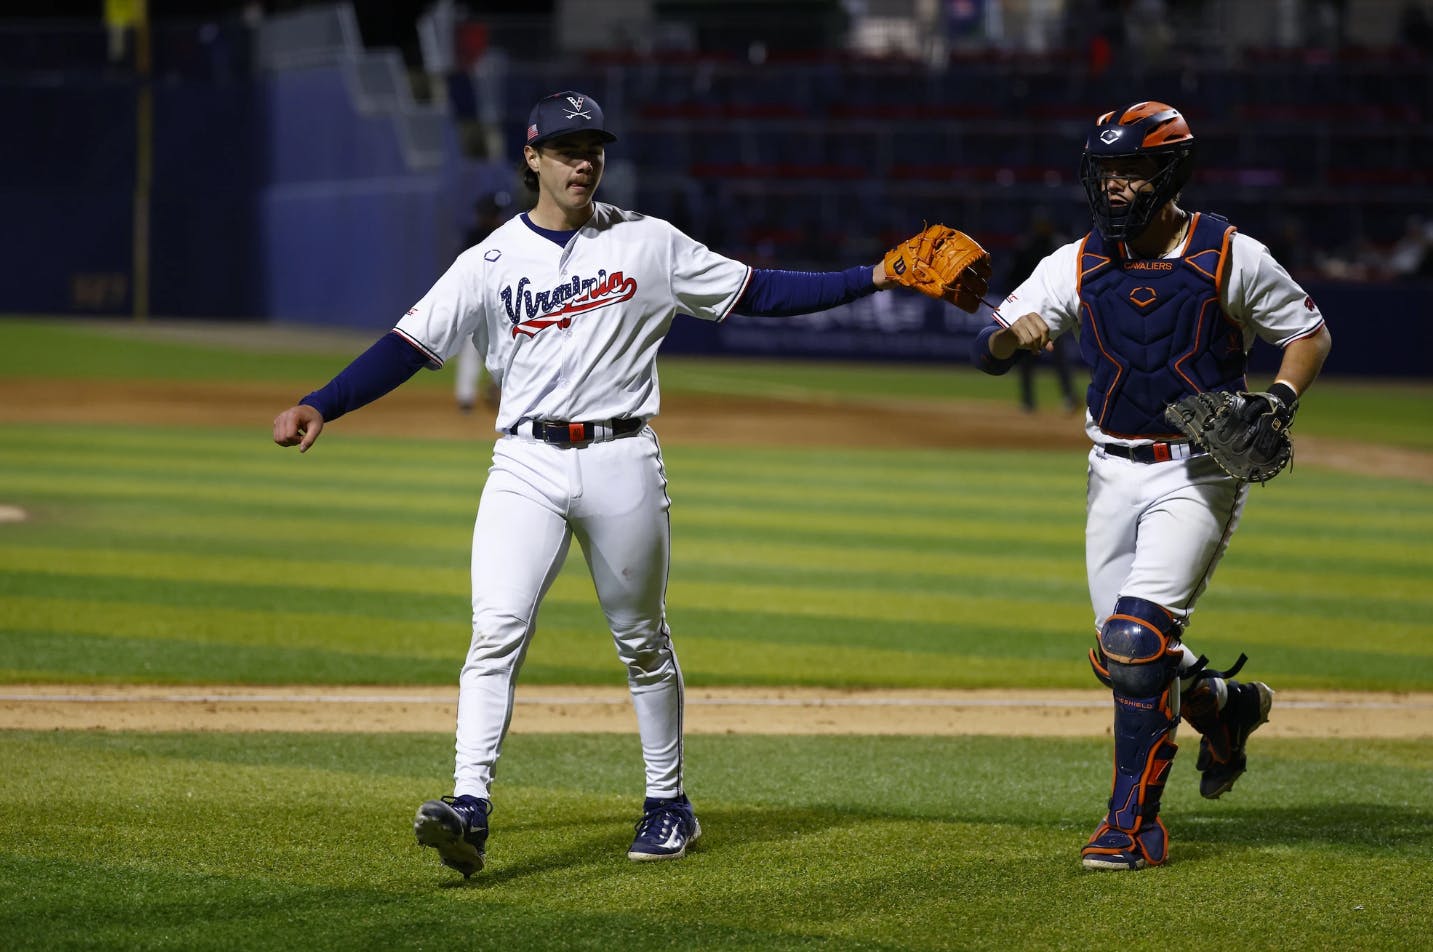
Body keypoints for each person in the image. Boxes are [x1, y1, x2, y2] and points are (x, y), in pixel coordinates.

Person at [272, 89, 985, 879]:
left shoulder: (649, 242)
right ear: (532, 159)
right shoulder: (489, 261)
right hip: (525, 463)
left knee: (641, 640)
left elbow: (760, 291)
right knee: (494, 629)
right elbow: (407, 346)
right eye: (566, 150)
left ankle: (667, 802)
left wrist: (876, 274)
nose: (583, 163)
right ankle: (469, 804)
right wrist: (322, 402)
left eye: (594, 149)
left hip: (622, 459)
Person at [971, 101, 1332, 871]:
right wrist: (1008, 337)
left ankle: (1130, 829)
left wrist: (1277, 400)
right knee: (1120, 653)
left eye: (1131, 171)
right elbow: (988, 350)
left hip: (1197, 471)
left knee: (1137, 645)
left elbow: (1307, 333)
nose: (1114, 186)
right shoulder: (1075, 261)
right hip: (1109, 468)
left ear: (1169, 173)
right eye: (1105, 171)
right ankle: (1225, 708)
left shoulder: (1228, 254)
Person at [1007, 212, 1079, 414]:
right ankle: (1028, 400)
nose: (1042, 228)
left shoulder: (1059, 246)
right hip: (1028, 311)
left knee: (1059, 359)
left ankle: (1069, 397)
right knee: (1026, 358)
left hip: (1055, 311)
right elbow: (1013, 276)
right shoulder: (1026, 245)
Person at [454, 193, 511, 412]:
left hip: (502, 304)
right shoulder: (475, 237)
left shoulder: (508, 234)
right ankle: (466, 398)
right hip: (479, 303)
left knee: (507, 349)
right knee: (472, 349)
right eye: (494, 213)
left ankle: (502, 392)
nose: (497, 217)